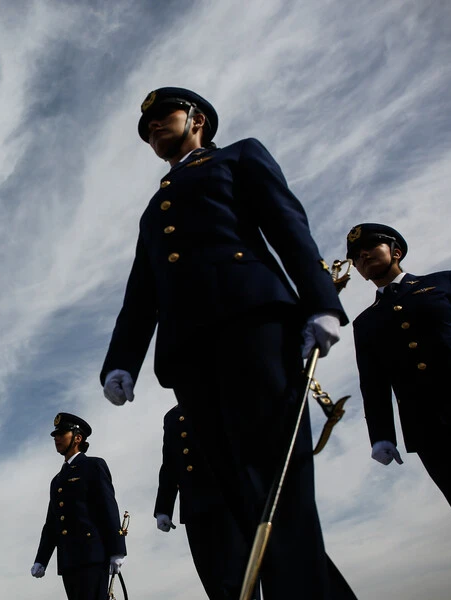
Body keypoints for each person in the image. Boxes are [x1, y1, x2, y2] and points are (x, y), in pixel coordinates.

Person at [100, 87, 354, 598]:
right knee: (241, 496)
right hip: (190, 354)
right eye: (144, 126)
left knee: (279, 489)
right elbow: (141, 291)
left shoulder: (239, 156)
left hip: (253, 328)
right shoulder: (155, 207)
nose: (151, 127)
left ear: (196, 118)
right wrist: (121, 360)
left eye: (161, 116)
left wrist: (321, 301)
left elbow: (287, 225)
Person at [347, 222, 451, 597]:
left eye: (373, 246)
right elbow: (373, 385)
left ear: (396, 251)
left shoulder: (444, 284)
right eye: (356, 256)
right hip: (433, 431)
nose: (363, 255)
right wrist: (381, 436)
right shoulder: (365, 323)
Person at [154, 404, 251, 599]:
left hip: (228, 503)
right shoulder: (172, 417)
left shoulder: (220, 398)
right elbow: (170, 463)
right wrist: (163, 508)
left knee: (239, 579)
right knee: (212, 580)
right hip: (194, 508)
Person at [31, 413, 127, 600]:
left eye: (61, 433)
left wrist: (117, 549)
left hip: (92, 555)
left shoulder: (93, 466)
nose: (56, 438)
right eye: (55, 435)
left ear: (77, 437)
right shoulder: (57, 480)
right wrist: (41, 559)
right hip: (68, 560)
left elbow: (108, 508)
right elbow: (51, 524)